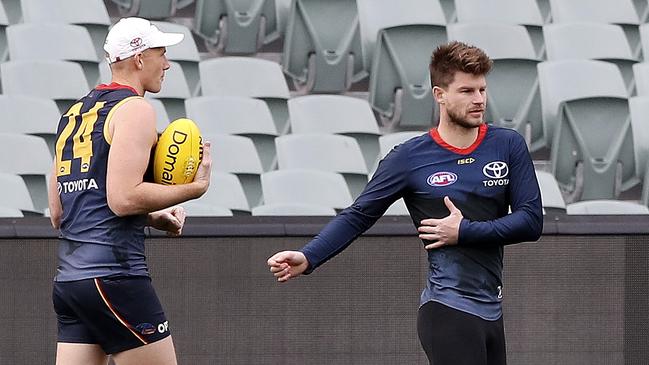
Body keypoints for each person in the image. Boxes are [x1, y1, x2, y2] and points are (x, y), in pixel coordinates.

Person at [267, 41, 543, 365]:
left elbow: (531, 221)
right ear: (440, 94)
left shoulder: (507, 145)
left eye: (482, 89)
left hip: (492, 312)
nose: (479, 99)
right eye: (467, 91)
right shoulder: (409, 158)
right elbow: (358, 215)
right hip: (447, 310)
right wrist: (308, 256)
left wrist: (464, 231)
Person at [47, 17, 212, 365]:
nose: (166, 63)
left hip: (71, 283)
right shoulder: (135, 108)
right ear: (139, 58)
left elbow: (60, 213)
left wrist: (153, 217)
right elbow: (122, 199)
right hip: (115, 276)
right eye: (161, 53)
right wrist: (194, 189)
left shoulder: (73, 115)